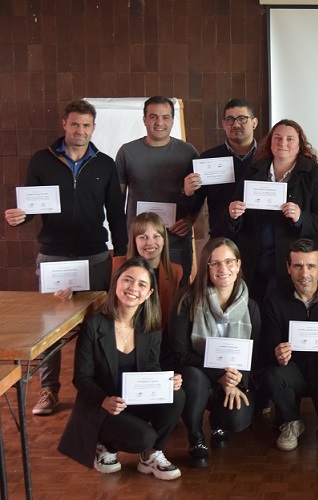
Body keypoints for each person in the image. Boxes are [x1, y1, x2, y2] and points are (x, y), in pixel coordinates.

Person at [4, 99, 128, 416]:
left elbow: (116, 213)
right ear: (64, 124)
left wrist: (123, 254)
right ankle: (48, 391)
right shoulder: (41, 161)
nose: (80, 130)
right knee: (50, 328)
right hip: (54, 256)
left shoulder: (104, 164)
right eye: (75, 124)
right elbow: (32, 206)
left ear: (93, 128)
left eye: (86, 125)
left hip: (95, 256)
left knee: (99, 326)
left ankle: (99, 391)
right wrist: (21, 216)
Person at [57, 257, 184, 481]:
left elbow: (152, 366)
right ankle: (104, 445)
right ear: (116, 282)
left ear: (149, 293)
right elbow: (81, 378)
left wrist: (166, 381)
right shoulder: (94, 324)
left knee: (177, 394)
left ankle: (152, 455)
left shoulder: (150, 326)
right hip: (102, 406)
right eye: (128, 280)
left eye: (142, 284)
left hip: (133, 400)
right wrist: (104, 400)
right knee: (144, 436)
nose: (133, 288)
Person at [169, 238, 261, 468]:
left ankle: (219, 421)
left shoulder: (251, 306)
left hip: (232, 377)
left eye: (229, 261)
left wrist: (237, 378)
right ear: (206, 267)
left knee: (237, 419)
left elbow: (252, 355)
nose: (223, 269)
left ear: (238, 265)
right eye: (215, 263)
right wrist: (219, 374)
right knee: (194, 378)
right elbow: (181, 353)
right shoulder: (187, 299)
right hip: (196, 375)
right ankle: (196, 434)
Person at [229, 119, 318, 306]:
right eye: (277, 138)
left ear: (300, 145)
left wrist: (301, 218)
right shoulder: (254, 171)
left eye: (290, 139)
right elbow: (233, 216)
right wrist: (233, 215)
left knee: (282, 314)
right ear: (270, 142)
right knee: (254, 314)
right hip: (254, 261)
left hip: (291, 265)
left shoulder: (313, 175)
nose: (282, 143)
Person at [263, 238, 318, 453]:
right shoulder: (275, 297)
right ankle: (291, 420)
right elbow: (267, 348)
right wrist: (278, 353)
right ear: (288, 267)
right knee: (274, 375)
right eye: (297, 266)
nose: (305, 274)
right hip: (293, 372)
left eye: (311, 266)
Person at [116, 95, 199, 287]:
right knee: (138, 292)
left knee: (178, 296)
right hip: (140, 242)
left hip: (176, 240)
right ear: (144, 119)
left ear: (172, 120)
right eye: (153, 117)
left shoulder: (188, 152)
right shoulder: (127, 152)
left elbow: (197, 195)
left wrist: (190, 220)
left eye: (165, 117)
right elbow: (117, 200)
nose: (159, 122)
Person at [181, 98, 259, 240]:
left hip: (259, 242)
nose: (236, 124)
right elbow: (193, 206)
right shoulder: (207, 159)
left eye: (242, 119)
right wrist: (187, 193)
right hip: (222, 240)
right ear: (223, 124)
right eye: (230, 119)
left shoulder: (267, 158)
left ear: (254, 123)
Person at [111, 212, 183, 365]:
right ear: (134, 241)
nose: (150, 242)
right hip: (121, 344)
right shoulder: (115, 265)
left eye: (156, 236)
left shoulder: (177, 272)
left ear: (164, 240)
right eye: (143, 237)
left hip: (162, 345)